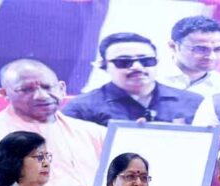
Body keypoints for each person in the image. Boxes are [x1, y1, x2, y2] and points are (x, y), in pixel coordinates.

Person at [62, 32, 203, 126]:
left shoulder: (194, 102)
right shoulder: (81, 108)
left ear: (157, 62)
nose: (137, 67)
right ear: (103, 66)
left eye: (146, 61)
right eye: (124, 62)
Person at [160, 16, 220, 98]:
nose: (212, 57)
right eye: (201, 49)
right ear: (173, 46)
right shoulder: (155, 79)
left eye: (218, 49)